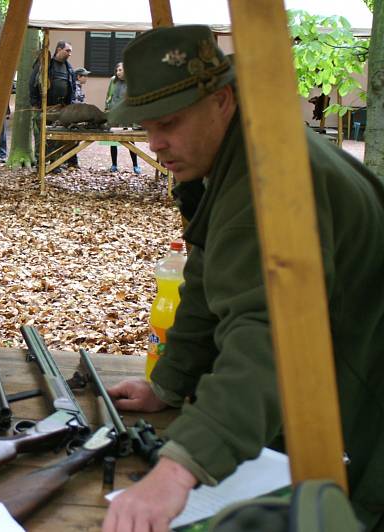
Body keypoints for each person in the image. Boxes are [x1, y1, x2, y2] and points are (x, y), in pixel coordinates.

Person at [103, 25, 384, 532]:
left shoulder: (266, 181)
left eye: (168, 122)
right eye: (146, 126)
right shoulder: (240, 154)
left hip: (366, 416)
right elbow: (210, 274)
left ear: (222, 101)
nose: (156, 144)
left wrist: (179, 467)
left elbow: (271, 335)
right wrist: (170, 382)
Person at [30, 41, 76, 169]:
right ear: (59, 49)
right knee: (41, 138)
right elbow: (32, 83)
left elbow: (72, 88)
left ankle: (55, 164)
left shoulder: (69, 68)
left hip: (60, 110)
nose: (70, 54)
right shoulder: (45, 65)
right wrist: (35, 104)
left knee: (57, 136)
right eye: (67, 50)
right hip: (43, 108)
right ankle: (41, 164)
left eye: (70, 51)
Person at [104, 62, 140, 174]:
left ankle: (135, 165)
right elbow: (108, 95)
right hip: (114, 114)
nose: (118, 72)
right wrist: (107, 109)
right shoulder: (113, 80)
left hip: (127, 116)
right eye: (117, 70)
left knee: (131, 140)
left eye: (121, 70)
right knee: (113, 141)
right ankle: (114, 164)